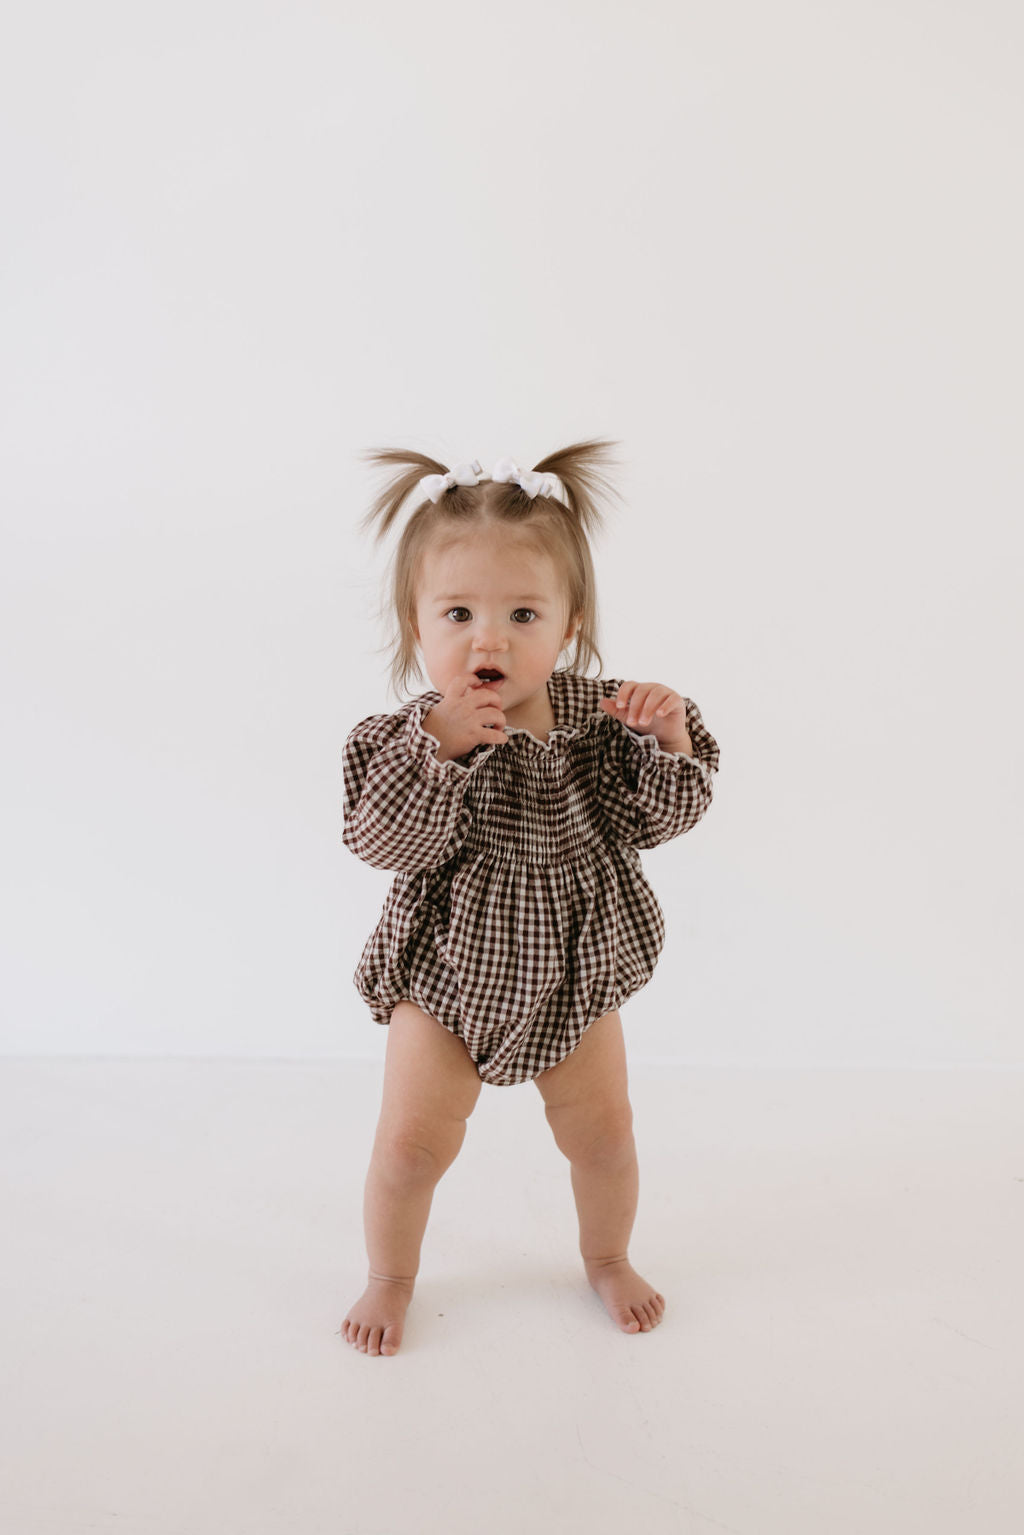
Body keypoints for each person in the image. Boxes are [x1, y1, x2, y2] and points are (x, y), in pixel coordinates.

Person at [340, 439, 721, 1356]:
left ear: (569, 625)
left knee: (604, 1135)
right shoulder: (403, 739)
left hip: (576, 967)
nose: (490, 639)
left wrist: (666, 739)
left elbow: (660, 815)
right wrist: (443, 748)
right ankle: (391, 1275)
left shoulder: (598, 721)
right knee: (410, 1147)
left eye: (522, 612)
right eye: (459, 612)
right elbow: (375, 836)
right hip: (446, 974)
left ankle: (607, 1254)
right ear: (417, 622)